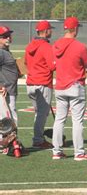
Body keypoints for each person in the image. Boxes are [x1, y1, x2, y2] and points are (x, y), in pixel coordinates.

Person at [52, 17, 87, 161]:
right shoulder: (80, 46)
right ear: (75, 29)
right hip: (75, 85)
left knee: (59, 120)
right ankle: (79, 152)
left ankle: (56, 151)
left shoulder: (56, 45)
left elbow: (53, 64)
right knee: (77, 121)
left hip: (60, 85)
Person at [24, 20, 55, 148]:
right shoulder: (46, 46)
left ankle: (38, 137)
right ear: (46, 31)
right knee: (42, 113)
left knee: (38, 113)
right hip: (43, 83)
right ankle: (38, 140)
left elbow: (25, 62)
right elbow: (53, 66)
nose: (51, 31)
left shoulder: (29, 45)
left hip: (30, 83)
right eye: (50, 29)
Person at [0, 26, 18, 123]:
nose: (8, 38)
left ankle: (11, 138)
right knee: (8, 121)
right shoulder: (1, 52)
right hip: (5, 92)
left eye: (9, 35)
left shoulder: (6, 51)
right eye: (5, 36)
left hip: (10, 90)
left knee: (10, 119)